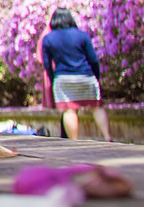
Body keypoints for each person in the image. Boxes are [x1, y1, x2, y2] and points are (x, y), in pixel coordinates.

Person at [39, 8, 110, 142]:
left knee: (69, 110)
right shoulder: (81, 35)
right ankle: (108, 137)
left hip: (63, 79)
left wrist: (54, 79)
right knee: (96, 106)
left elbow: (47, 64)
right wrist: (96, 76)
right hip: (86, 76)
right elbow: (93, 59)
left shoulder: (48, 39)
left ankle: (75, 141)